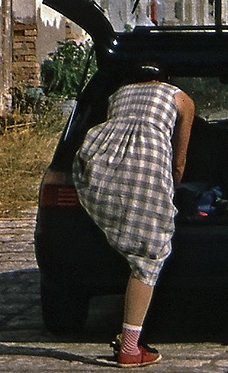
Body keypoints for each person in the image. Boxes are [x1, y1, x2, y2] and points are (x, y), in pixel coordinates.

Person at [71, 70, 195, 366]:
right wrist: (171, 190)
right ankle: (129, 348)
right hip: (146, 171)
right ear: (167, 79)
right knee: (147, 256)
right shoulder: (181, 98)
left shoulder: (118, 95)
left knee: (137, 246)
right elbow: (179, 160)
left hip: (101, 165)